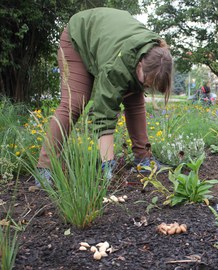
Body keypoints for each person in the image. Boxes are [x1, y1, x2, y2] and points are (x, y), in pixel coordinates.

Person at [35, 7, 173, 185]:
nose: (147, 87)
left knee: (135, 101)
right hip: (78, 37)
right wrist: (108, 167)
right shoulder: (117, 67)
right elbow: (104, 114)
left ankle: (143, 160)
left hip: (107, 40)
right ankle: (45, 168)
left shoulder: (155, 53)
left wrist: (143, 82)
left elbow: (138, 90)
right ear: (139, 64)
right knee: (74, 103)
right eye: (147, 83)